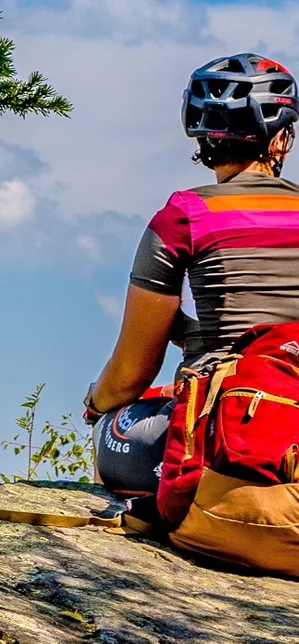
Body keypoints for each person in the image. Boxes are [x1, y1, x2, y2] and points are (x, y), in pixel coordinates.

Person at [84, 52, 299, 502]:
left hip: (227, 435)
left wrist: (96, 404)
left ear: (201, 134)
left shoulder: (184, 215)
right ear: (280, 139)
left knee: (114, 425)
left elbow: (130, 373)